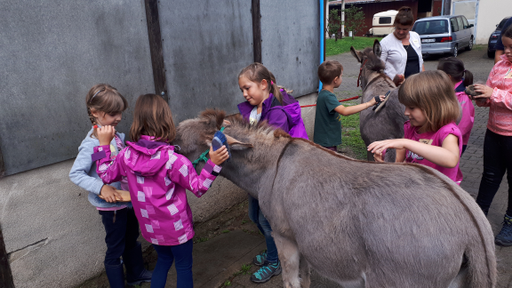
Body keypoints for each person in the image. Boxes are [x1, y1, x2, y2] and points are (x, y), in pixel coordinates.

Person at [93, 94, 229, 287]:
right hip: (178, 229)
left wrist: (103, 145)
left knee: (163, 261)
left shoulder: (126, 156)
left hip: (151, 228)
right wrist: (213, 163)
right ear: (167, 119)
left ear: (138, 121)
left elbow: (105, 175)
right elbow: (199, 188)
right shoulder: (175, 160)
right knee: (183, 267)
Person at [69, 84, 152, 287]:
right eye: (113, 113)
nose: (119, 118)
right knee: (115, 247)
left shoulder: (117, 137)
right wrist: (101, 188)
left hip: (128, 201)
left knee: (132, 237)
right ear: (95, 112)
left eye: (120, 112)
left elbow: (114, 164)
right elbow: (76, 173)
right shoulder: (91, 144)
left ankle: (136, 273)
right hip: (112, 207)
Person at [237, 62, 308, 283]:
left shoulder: (277, 112)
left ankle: (275, 261)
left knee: (267, 221)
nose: (244, 93)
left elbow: (270, 150)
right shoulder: (256, 109)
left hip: (276, 175)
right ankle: (274, 251)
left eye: (247, 88)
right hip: (259, 175)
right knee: (254, 217)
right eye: (241, 90)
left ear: (264, 84)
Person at [367, 70, 463, 185]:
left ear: (434, 106)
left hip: (439, 196)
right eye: (406, 107)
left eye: (412, 108)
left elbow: (451, 159)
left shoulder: (448, 132)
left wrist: (406, 143)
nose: (406, 112)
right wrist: (383, 164)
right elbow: (399, 165)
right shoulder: (411, 128)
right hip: (416, 190)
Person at [472, 24, 512, 246]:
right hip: (493, 131)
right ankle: (477, 216)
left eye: (511, 47)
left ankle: (510, 222)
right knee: (489, 176)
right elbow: (490, 95)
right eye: (505, 47)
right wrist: (481, 97)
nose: (506, 52)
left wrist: (493, 94)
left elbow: (499, 94)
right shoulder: (499, 66)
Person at [314, 60, 384, 151]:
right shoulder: (328, 96)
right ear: (335, 80)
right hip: (327, 143)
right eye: (341, 76)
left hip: (325, 140)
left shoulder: (324, 94)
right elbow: (344, 111)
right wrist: (369, 103)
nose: (341, 78)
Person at [437, 57, 475, 155]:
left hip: (453, 142)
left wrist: (448, 138)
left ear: (448, 77)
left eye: (439, 74)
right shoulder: (448, 91)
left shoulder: (463, 97)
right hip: (444, 138)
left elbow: (463, 125)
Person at [380, 6, 425, 85]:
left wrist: (425, 79)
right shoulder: (385, 42)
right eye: (398, 28)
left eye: (405, 29)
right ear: (394, 24)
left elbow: (420, 62)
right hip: (396, 87)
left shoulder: (416, 36)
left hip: (416, 85)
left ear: (411, 26)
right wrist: (392, 82)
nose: (401, 32)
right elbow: (379, 68)